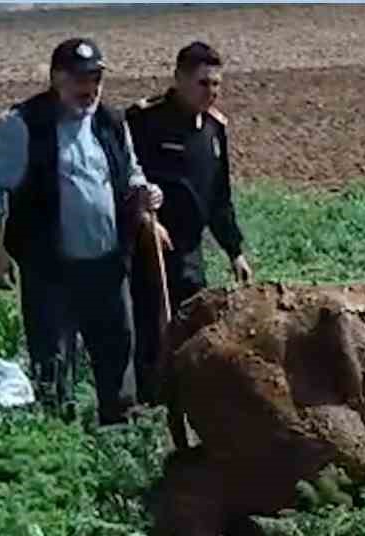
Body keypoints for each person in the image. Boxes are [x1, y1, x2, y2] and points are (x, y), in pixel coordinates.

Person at [0, 37, 163, 426]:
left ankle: (119, 429)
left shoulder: (111, 122)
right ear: (56, 78)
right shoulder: (24, 124)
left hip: (108, 264)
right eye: (80, 78)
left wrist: (145, 191)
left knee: (116, 350)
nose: (89, 88)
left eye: (96, 78)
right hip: (51, 269)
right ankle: (58, 441)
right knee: (54, 359)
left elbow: (130, 174)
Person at [125, 40, 251, 404]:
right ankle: (149, 408)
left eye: (216, 84)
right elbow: (121, 180)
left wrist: (235, 251)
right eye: (203, 83)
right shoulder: (144, 121)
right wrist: (143, 218)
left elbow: (218, 198)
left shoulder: (214, 130)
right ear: (178, 78)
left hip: (190, 251)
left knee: (192, 331)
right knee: (151, 335)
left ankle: (189, 406)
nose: (211, 92)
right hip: (147, 247)